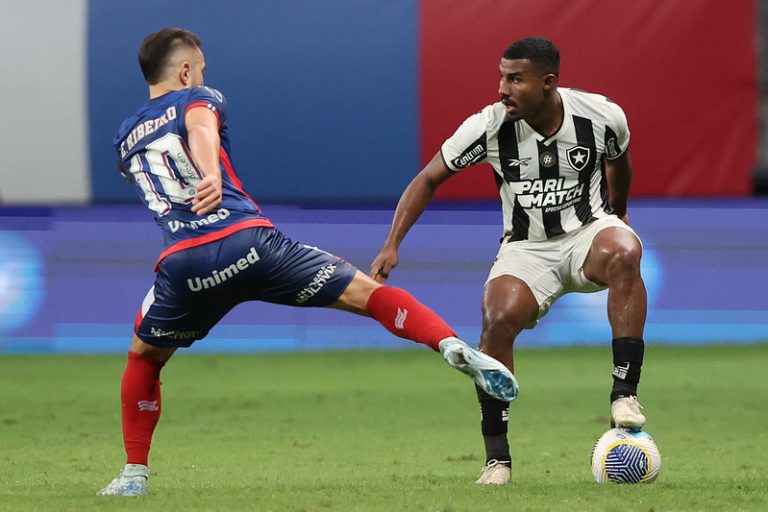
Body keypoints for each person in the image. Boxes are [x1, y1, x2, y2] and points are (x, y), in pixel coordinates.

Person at [98, 28, 518, 497]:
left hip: (185, 266)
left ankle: (134, 473)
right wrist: (212, 173)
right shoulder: (198, 96)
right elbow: (200, 126)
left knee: (143, 357)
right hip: (249, 244)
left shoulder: (123, 139)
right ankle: (447, 343)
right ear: (184, 70)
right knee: (368, 294)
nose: (203, 75)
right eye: (200, 68)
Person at [370, 36, 648, 485]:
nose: (502, 88)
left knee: (626, 248)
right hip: (526, 247)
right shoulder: (487, 126)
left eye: (515, 79)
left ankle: (624, 394)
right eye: (501, 76)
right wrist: (391, 244)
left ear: (548, 83)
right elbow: (428, 179)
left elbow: (619, 161)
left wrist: (618, 210)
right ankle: (497, 460)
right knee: (497, 318)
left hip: (586, 232)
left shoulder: (601, 115)